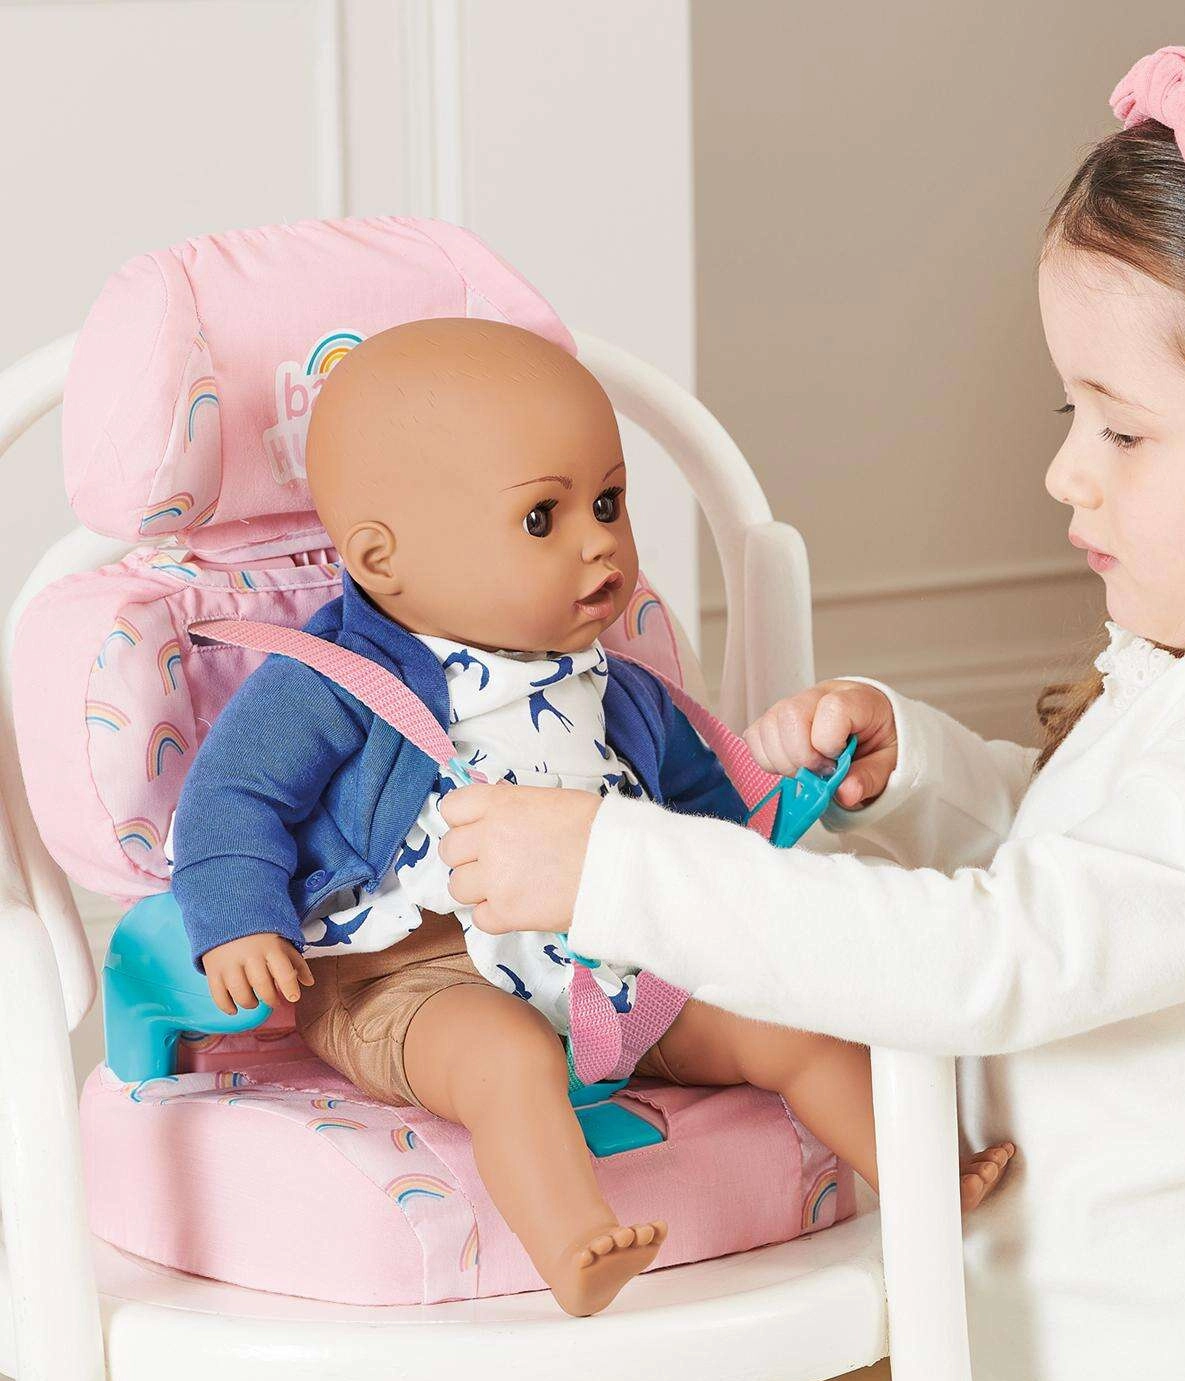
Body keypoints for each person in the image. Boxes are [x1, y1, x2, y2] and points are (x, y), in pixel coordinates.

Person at [437, 39, 1185, 1381]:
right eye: (1074, 417)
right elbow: (1095, 874)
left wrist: (617, 871)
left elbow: (999, 958)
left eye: (1124, 428)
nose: (1068, 470)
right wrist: (923, 776)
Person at [171, 318, 1011, 1319]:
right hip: (413, 977)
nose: (601, 540)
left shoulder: (620, 686)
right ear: (383, 560)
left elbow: (701, 820)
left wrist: (777, 817)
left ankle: (922, 1177)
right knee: (505, 1062)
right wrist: (239, 920)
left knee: (787, 1022)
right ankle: (575, 1239)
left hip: (612, 960)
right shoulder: (334, 680)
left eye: (608, 502)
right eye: (544, 517)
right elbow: (232, 797)